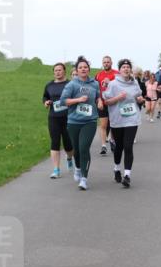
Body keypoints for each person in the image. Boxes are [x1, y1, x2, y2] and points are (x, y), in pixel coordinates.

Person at [59, 57, 100, 190]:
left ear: (89, 69)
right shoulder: (72, 84)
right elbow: (63, 101)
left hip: (90, 120)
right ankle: (77, 167)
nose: (83, 69)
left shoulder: (94, 83)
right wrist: (78, 100)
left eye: (85, 67)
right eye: (80, 67)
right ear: (77, 70)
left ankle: (84, 178)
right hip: (74, 121)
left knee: (83, 148)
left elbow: (98, 96)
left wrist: (100, 101)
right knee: (76, 149)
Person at [102, 59, 144, 187]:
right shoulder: (113, 84)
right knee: (119, 146)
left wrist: (140, 99)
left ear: (130, 70)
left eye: (128, 67)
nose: (126, 69)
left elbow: (137, 96)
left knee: (128, 146)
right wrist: (118, 98)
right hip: (117, 119)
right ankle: (116, 168)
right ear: (119, 70)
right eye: (123, 67)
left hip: (132, 118)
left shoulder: (134, 83)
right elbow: (107, 102)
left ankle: (127, 175)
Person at [42, 63, 74, 178]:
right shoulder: (49, 85)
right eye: (55, 70)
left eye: (60, 70)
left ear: (64, 71)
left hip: (68, 117)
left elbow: (75, 97)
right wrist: (46, 102)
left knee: (68, 143)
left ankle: (70, 158)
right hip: (53, 117)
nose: (58, 72)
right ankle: (56, 169)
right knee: (54, 142)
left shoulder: (70, 84)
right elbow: (45, 97)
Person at [95, 55, 117, 156]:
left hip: (114, 103)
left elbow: (120, 87)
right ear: (102, 63)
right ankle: (103, 145)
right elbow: (96, 89)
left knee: (113, 124)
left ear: (111, 63)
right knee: (103, 125)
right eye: (104, 62)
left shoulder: (117, 74)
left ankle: (112, 140)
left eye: (108, 62)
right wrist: (98, 100)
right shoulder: (98, 75)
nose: (106, 64)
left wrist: (110, 82)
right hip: (102, 103)